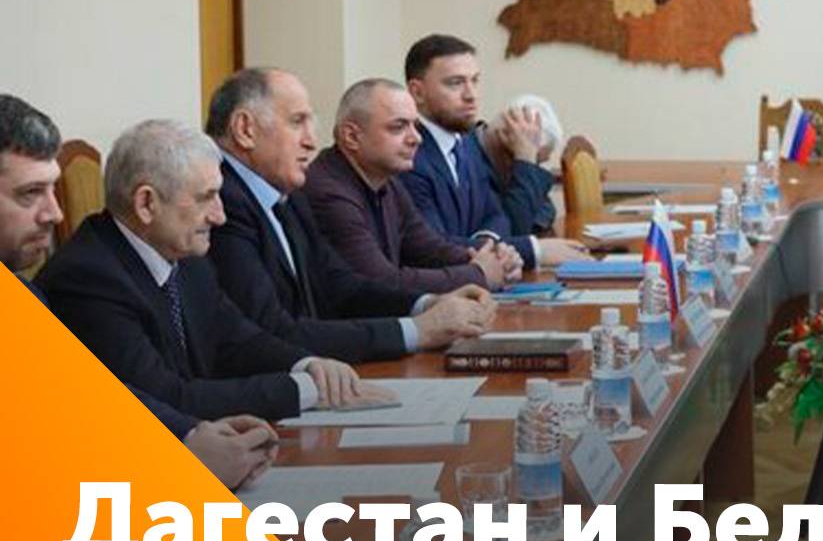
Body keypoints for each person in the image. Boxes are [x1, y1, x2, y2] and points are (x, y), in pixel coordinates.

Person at [1, 97, 278, 487]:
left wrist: (190, 435)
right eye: (30, 193)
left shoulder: (20, 292)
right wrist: (178, 460)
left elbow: (86, 393)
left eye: (52, 190)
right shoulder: (83, 274)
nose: (55, 213)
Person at [36, 119, 391, 422]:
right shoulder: (88, 279)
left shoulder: (187, 258)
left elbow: (237, 340)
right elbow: (165, 398)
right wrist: (303, 391)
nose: (220, 216)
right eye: (206, 197)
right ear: (146, 203)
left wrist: (307, 365)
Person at [205, 68, 494, 363]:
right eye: (297, 122)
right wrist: (418, 330)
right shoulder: (220, 203)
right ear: (245, 129)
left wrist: (428, 304)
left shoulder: (285, 196)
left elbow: (339, 284)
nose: (311, 141)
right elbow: (272, 331)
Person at [307, 79, 517, 295]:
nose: (416, 139)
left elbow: (427, 249)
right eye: (398, 127)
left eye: (415, 126)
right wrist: (478, 274)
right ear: (352, 137)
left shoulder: (388, 182)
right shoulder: (328, 193)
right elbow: (380, 283)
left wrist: (493, 260)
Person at [397, 34, 587, 268]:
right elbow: (432, 246)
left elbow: (495, 215)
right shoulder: (408, 156)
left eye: (474, 81)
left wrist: (488, 245)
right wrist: (533, 250)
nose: (471, 95)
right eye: (455, 83)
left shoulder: (464, 143)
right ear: (417, 93)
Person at [475, 93, 562, 236]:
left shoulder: (500, 161)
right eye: (535, 161)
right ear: (507, 141)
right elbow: (514, 231)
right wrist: (525, 159)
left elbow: (546, 209)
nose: (531, 169)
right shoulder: (463, 159)